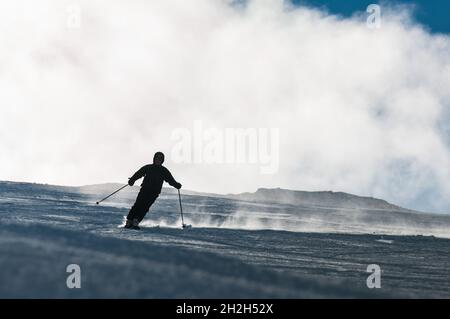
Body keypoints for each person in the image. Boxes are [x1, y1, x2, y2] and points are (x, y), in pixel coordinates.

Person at [125, 152, 181, 229]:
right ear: (154, 159)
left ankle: (136, 221)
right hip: (144, 189)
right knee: (138, 204)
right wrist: (132, 180)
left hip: (154, 192)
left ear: (162, 161)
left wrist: (176, 185)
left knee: (145, 207)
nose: (158, 160)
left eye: (160, 159)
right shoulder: (148, 167)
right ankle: (129, 221)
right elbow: (139, 173)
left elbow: (170, 180)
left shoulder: (164, 171)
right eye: (156, 158)